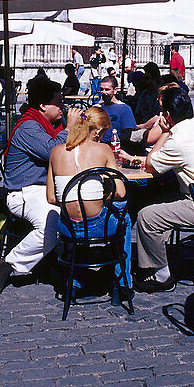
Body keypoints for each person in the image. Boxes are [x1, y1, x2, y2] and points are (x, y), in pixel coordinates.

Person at [125, 83, 194, 293]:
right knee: (155, 200)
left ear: (167, 115)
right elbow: (163, 160)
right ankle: (154, 257)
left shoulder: (177, 138)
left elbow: (151, 163)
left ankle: (161, 274)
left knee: (147, 216)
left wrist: (164, 134)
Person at [0, 78, 78, 294]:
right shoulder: (29, 127)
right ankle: (9, 264)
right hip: (25, 191)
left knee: (80, 212)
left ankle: (59, 262)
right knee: (52, 225)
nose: (63, 106)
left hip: (48, 187)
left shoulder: (52, 125)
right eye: (58, 102)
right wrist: (71, 128)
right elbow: (55, 151)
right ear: (43, 106)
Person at [46, 105, 131, 291]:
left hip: (68, 227)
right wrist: (102, 196)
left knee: (81, 222)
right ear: (98, 131)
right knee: (125, 215)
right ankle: (123, 282)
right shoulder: (103, 149)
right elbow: (121, 192)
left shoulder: (56, 151)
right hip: (96, 224)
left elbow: (52, 198)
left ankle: (75, 282)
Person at [99, 76, 136, 146]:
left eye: (107, 89)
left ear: (115, 90)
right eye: (101, 89)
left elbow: (126, 135)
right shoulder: (97, 107)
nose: (103, 92)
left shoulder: (124, 109)